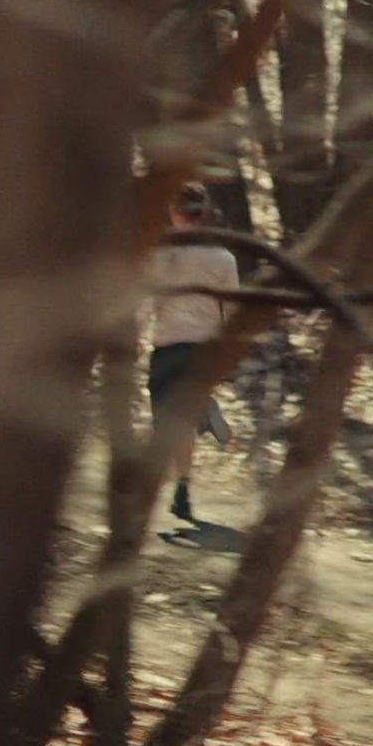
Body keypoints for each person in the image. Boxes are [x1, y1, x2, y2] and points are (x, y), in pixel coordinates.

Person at [145, 182, 239, 522]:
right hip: (206, 348)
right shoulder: (224, 259)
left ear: (173, 212)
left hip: (169, 343)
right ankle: (182, 490)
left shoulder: (162, 254)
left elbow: (148, 300)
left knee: (167, 425)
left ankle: (175, 489)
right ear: (204, 213)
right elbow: (232, 309)